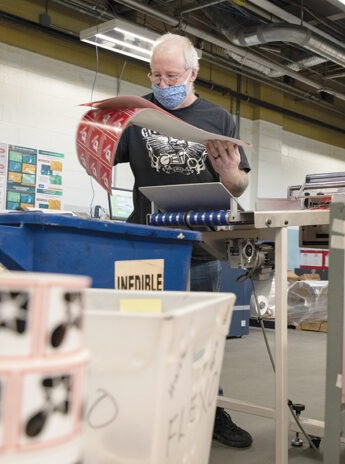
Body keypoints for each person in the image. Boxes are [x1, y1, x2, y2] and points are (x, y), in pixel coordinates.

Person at [114, 33, 253, 449]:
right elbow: (106, 155)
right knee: (142, 334)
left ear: (192, 74)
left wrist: (230, 175)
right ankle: (141, 412)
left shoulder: (218, 118)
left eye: (171, 75)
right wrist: (94, 142)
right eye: (156, 74)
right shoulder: (136, 113)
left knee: (197, 340)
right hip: (145, 243)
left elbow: (239, 184)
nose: (162, 82)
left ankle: (206, 410)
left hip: (199, 249)